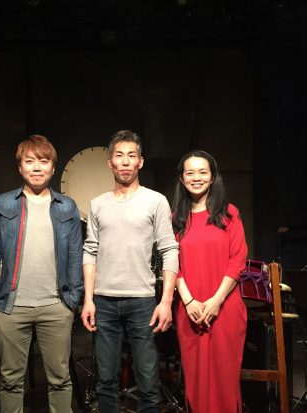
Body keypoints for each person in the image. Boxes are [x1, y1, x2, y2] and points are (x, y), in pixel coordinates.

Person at [0, 135, 83, 413]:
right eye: (30, 161)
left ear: (53, 167)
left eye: (43, 161)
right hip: (11, 307)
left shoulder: (67, 206)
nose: (37, 167)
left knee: (60, 379)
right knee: (11, 380)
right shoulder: (3, 204)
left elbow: (75, 255)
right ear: (20, 167)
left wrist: (72, 300)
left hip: (56, 306)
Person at [81, 130, 179, 413]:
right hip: (104, 302)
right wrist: (88, 299)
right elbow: (90, 251)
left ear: (140, 162)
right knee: (105, 381)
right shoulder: (98, 204)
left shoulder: (155, 201)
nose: (125, 162)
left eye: (131, 156)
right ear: (110, 162)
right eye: (119, 156)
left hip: (142, 302)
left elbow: (169, 250)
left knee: (148, 381)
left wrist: (166, 301)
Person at [171, 150, 248, 412]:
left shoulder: (229, 213)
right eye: (190, 172)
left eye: (203, 172)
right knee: (195, 380)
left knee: (224, 379)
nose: (197, 178)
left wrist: (216, 301)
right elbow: (171, 264)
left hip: (225, 307)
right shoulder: (175, 219)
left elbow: (238, 259)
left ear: (213, 177)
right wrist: (188, 301)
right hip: (190, 309)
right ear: (181, 178)